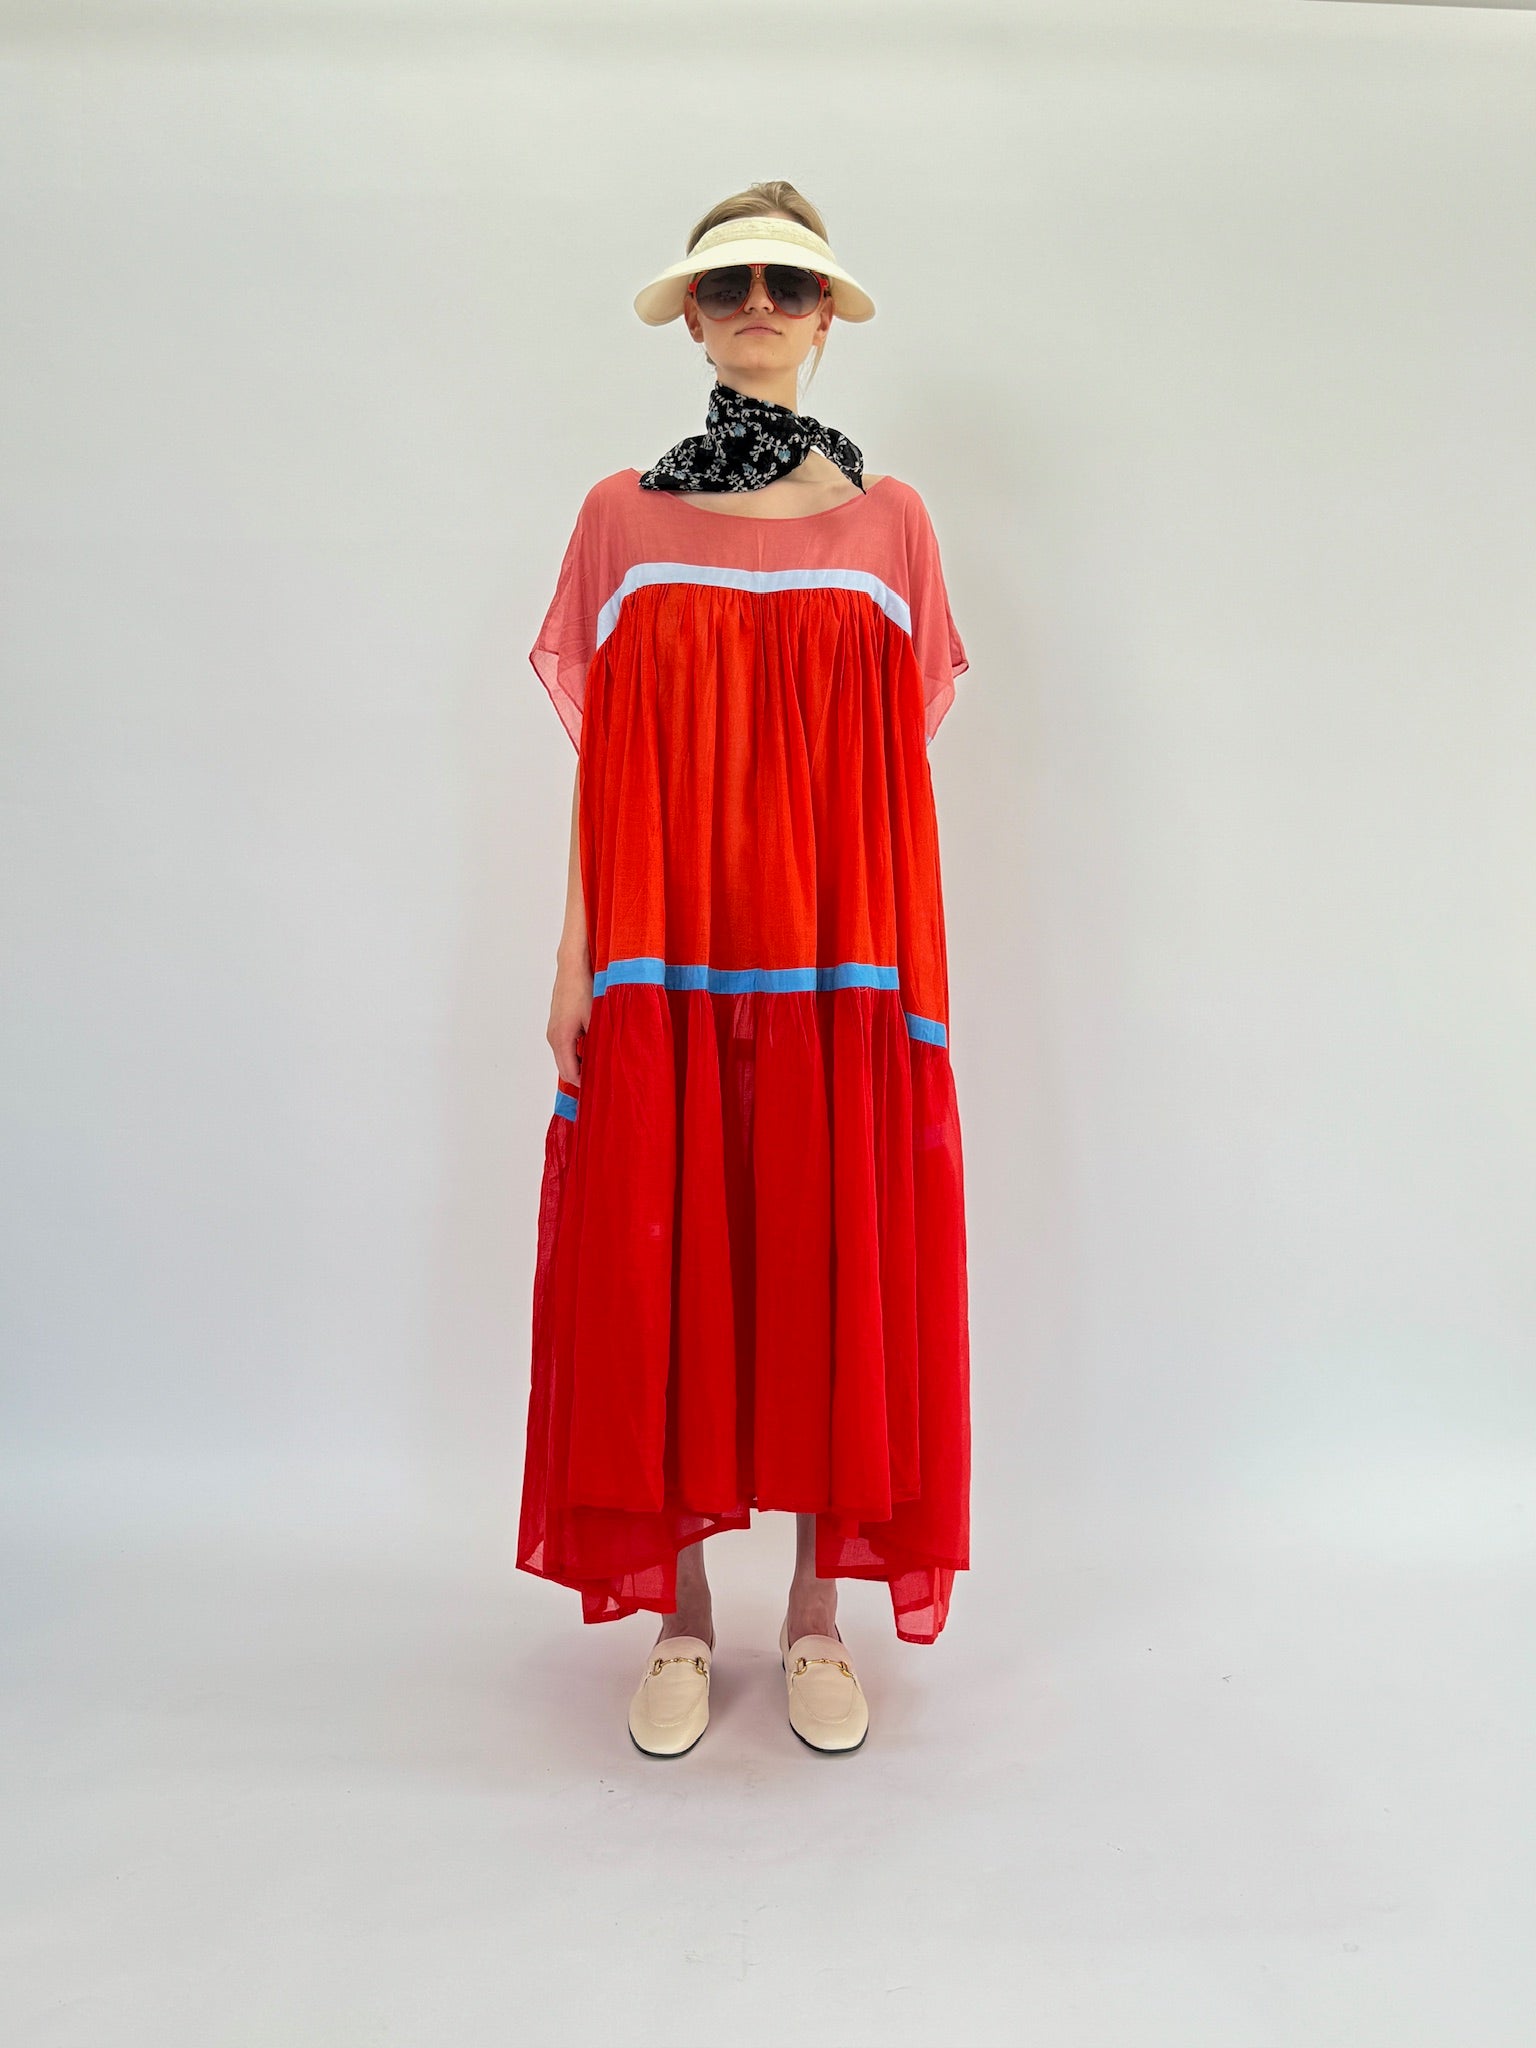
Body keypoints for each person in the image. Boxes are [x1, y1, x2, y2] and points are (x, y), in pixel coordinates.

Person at [517, 181, 972, 1757]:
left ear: (827, 315)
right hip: (668, 952)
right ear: (696, 321)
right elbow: (603, 764)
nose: (760, 306)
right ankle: (684, 1616)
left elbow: (886, 769)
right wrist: (576, 953)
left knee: (831, 1249)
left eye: (787, 283)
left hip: (840, 959)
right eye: (731, 287)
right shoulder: (619, 518)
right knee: (668, 1253)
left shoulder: (893, 524)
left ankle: (817, 1617)